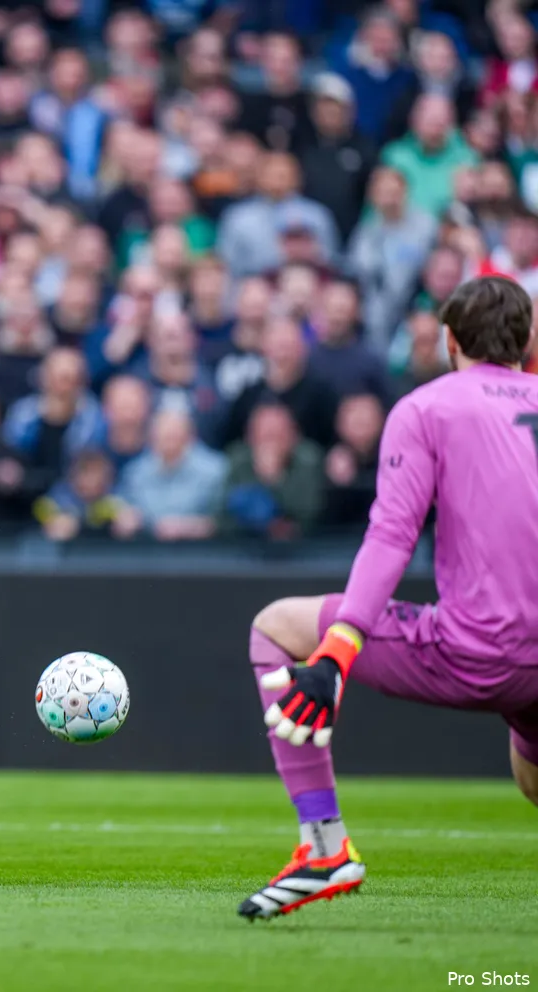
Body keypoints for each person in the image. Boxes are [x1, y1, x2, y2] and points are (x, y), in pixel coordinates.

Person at [238, 275, 538, 920]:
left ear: (450, 340)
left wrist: (337, 652)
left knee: (274, 627)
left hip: (475, 648)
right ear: (527, 341)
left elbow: (393, 534)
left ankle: (323, 849)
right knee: (530, 779)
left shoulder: (427, 407)